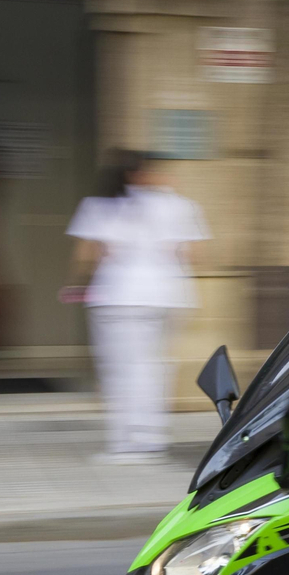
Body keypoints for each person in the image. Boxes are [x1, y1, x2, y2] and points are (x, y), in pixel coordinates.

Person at [65, 150, 207, 463]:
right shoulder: (180, 205)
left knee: (122, 371)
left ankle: (129, 444)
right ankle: (152, 439)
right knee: (155, 369)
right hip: (169, 296)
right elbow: (193, 255)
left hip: (119, 297)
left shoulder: (100, 205)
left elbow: (86, 254)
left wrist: (76, 285)